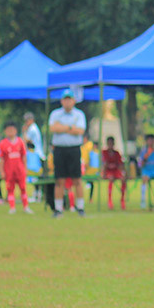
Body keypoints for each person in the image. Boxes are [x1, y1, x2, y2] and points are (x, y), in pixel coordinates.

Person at [49, 89, 87, 218]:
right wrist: (70, 127)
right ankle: (58, 208)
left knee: (77, 179)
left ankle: (80, 207)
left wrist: (63, 127)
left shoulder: (79, 115)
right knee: (59, 179)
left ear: (74, 100)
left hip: (74, 149)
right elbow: (53, 128)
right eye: (65, 99)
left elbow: (80, 131)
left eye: (69, 99)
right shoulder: (55, 114)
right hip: (59, 149)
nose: (67, 102)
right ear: (61, 101)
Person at [0, 122, 32, 214]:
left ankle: (26, 207)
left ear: (16, 131)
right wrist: (2, 171)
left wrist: (25, 168)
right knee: (10, 189)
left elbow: (24, 157)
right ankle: (12, 207)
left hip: (19, 170)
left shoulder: (21, 142)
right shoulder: (3, 143)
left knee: (23, 188)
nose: (10, 132)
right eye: (8, 130)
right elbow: (1, 159)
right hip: (9, 170)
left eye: (12, 130)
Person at [101, 136, 127, 210]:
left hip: (115, 171)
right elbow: (104, 164)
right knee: (111, 179)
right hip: (108, 171)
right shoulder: (104, 152)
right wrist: (103, 172)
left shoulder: (117, 153)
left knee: (123, 179)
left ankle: (122, 199)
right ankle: (109, 200)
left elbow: (120, 164)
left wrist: (124, 173)